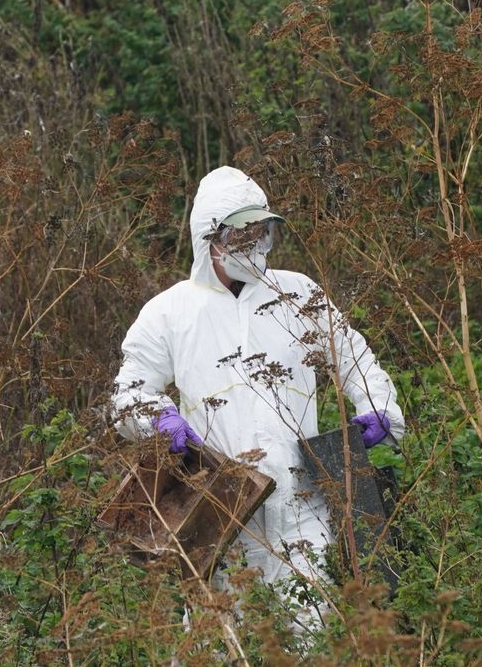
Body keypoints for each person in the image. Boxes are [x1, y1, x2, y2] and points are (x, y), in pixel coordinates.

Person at [111, 166, 406, 627]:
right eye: (241, 235)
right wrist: (158, 419)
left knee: (310, 635)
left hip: (303, 505)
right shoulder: (170, 312)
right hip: (218, 513)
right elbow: (129, 391)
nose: (253, 247)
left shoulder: (297, 293)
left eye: (261, 234)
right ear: (209, 237)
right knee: (217, 640)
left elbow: (353, 355)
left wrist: (379, 409)